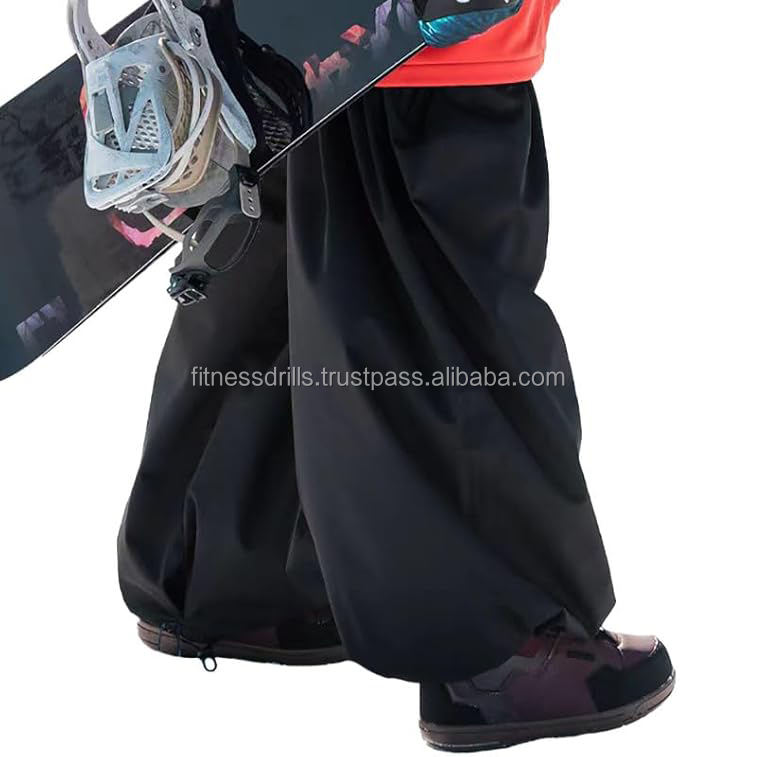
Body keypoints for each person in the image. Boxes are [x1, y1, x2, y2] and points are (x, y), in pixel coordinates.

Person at [117, 1, 675, 750]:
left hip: (282, 46)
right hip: (420, 47)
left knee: (281, 269)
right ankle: (493, 648)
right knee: (437, 315)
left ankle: (233, 578)